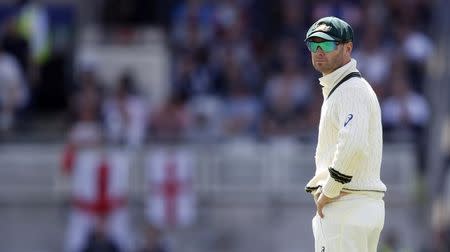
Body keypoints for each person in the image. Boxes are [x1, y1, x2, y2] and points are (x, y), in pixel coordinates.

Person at [303, 16, 387, 252]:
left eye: (327, 44)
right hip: (358, 206)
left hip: (346, 205)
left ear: (347, 48)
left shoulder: (351, 89)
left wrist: (328, 191)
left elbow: (353, 145)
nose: (319, 51)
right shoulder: (342, 88)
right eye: (313, 45)